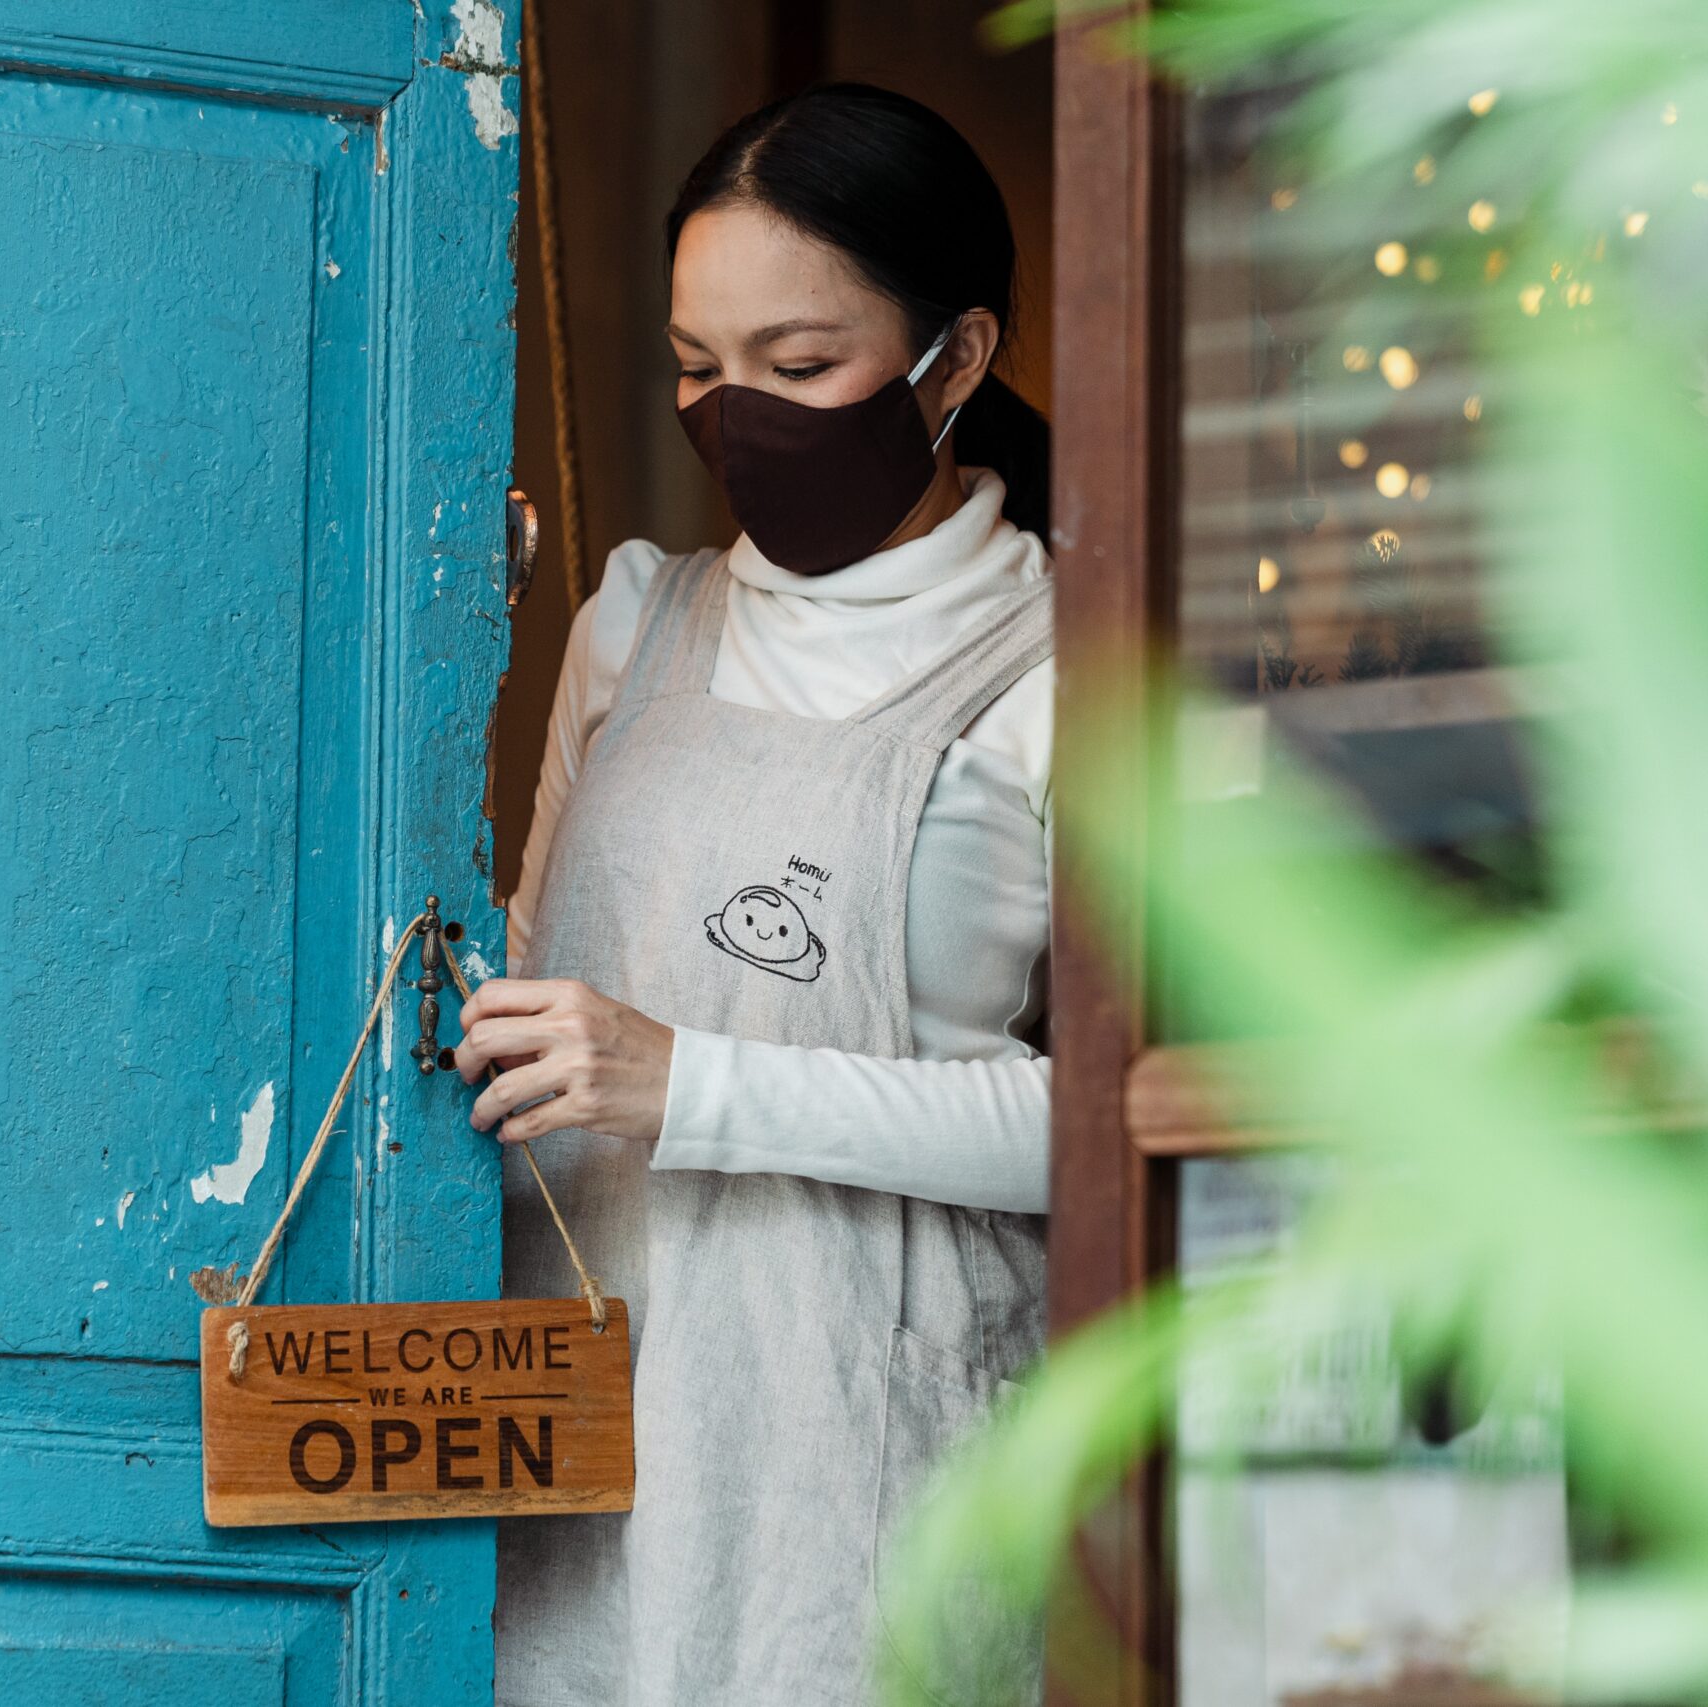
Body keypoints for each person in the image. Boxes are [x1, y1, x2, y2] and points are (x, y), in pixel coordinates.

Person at [449, 83, 1056, 1705]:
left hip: (862, 1447)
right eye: (698, 370)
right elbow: (526, 980)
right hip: (574, 1417)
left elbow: (1107, 1128)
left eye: (800, 369)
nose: (739, 417)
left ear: (960, 359)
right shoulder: (632, 627)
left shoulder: (1059, 665)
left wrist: (693, 1080)